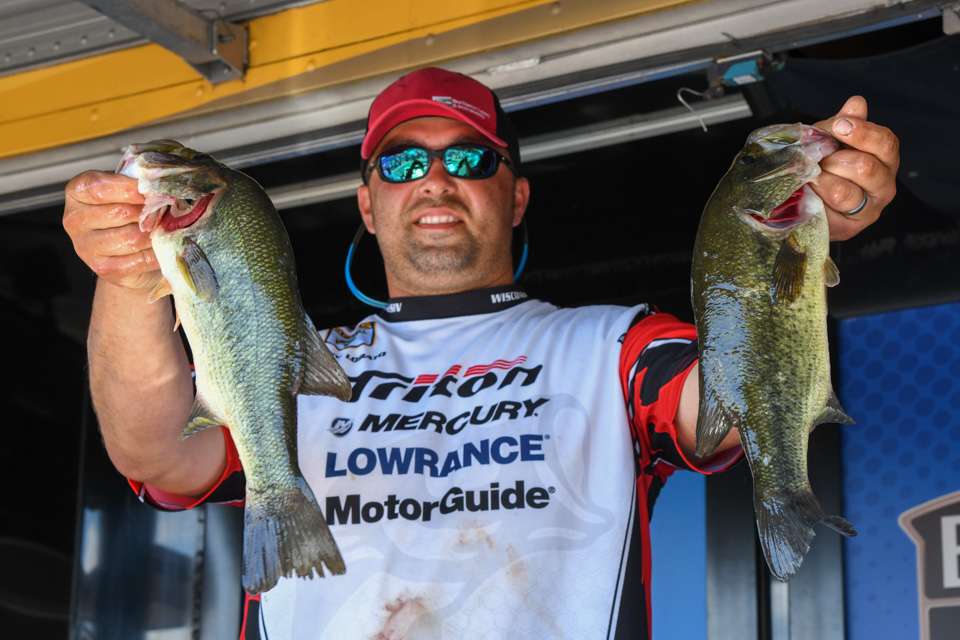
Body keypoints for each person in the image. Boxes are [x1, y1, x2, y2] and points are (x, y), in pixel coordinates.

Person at [62, 67, 899, 639]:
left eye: (467, 158)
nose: (435, 179)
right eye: (402, 162)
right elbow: (155, 453)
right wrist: (127, 274)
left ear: (515, 193)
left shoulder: (613, 344)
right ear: (367, 202)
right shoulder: (289, 356)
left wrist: (797, 243)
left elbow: (725, 413)